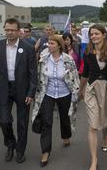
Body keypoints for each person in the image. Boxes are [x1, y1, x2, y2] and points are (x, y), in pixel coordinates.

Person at [0, 18, 37, 163]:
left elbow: (33, 73)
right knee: (4, 120)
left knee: (22, 123)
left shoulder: (27, 48)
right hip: (3, 89)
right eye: (7, 30)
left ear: (18, 31)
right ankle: (10, 144)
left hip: (22, 89)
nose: (9, 32)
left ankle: (20, 151)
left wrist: (31, 92)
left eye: (12, 30)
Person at [31, 35, 80, 167]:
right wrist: (36, 93)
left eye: (52, 43)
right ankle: (45, 151)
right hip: (48, 94)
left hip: (64, 94)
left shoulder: (68, 60)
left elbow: (75, 77)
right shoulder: (43, 59)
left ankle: (66, 136)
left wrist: (77, 93)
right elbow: (38, 76)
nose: (49, 46)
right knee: (47, 122)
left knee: (64, 117)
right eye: (48, 44)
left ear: (59, 45)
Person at [78, 24, 107, 170]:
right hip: (92, 88)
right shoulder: (88, 52)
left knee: (106, 121)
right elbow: (85, 73)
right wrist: (81, 89)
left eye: (96, 33)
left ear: (104, 35)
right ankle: (94, 160)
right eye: (91, 34)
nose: (93, 36)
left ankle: (105, 137)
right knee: (93, 125)